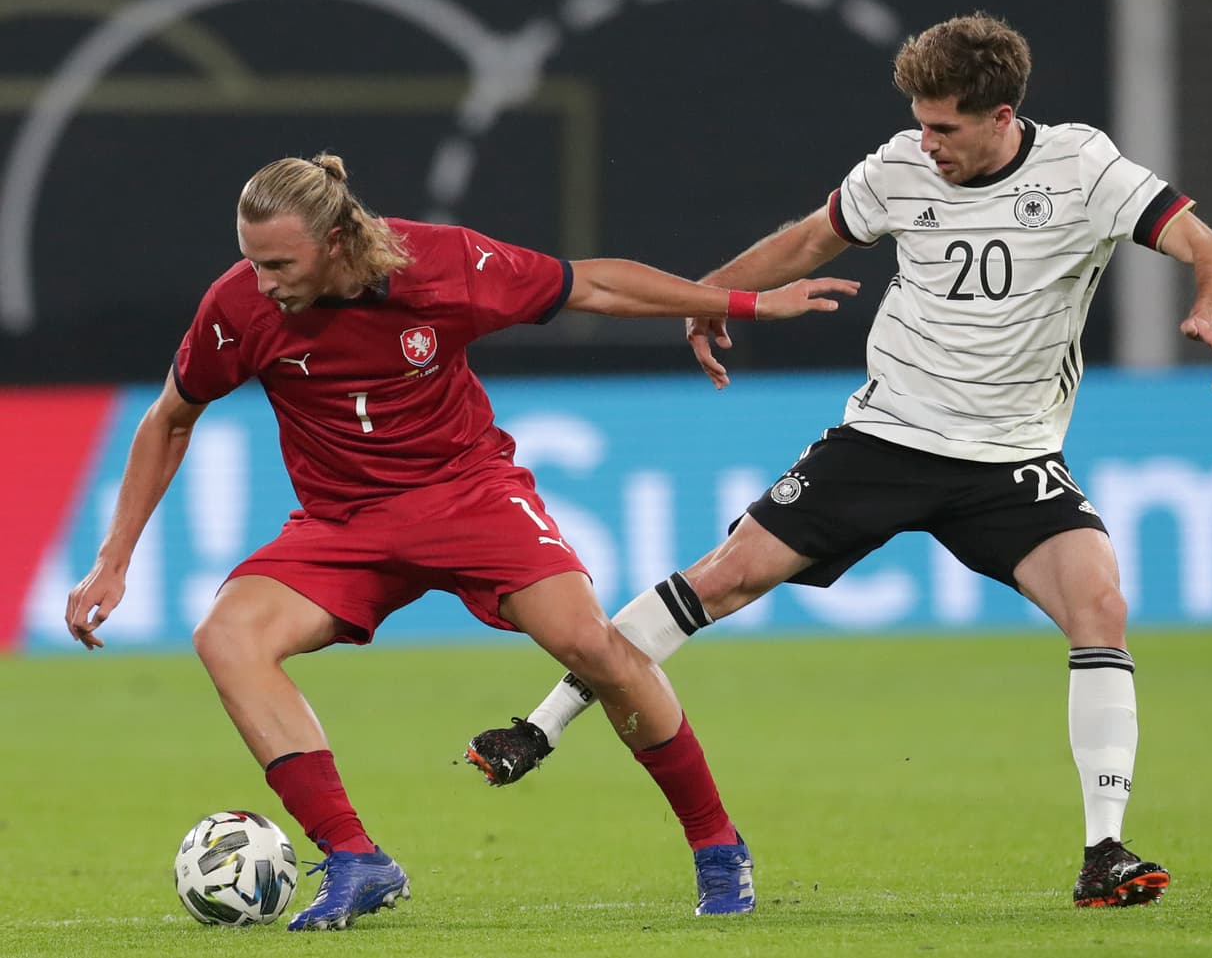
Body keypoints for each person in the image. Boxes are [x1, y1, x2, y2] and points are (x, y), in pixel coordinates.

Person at [466, 12, 1212, 910]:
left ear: (1002, 117)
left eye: (946, 128)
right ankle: (539, 726)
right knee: (723, 577)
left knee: (1101, 603)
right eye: (920, 123)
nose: (927, 144)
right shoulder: (896, 167)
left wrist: (1210, 308)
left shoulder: (1085, 169)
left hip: (1011, 460)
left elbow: (1209, 247)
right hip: (885, 440)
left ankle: (1104, 851)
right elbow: (807, 238)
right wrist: (712, 297)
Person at [64, 152, 858, 929]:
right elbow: (171, 415)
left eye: (277, 263)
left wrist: (746, 303)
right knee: (227, 636)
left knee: (594, 646)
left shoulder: (442, 265)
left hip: (469, 495)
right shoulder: (240, 307)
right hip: (342, 523)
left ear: (337, 241)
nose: (261, 281)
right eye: (250, 262)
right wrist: (114, 556)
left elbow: (596, 282)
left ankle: (717, 845)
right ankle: (354, 857)